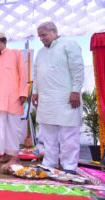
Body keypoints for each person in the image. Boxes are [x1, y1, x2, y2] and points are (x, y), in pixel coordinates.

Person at [32, 22, 84, 174]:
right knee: (48, 133)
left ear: (54, 31)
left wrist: (75, 91)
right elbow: (36, 74)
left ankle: (69, 166)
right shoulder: (41, 52)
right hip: (46, 99)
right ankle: (50, 162)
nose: (41, 38)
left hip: (65, 97)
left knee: (68, 134)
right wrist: (35, 92)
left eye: (44, 35)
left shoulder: (69, 44)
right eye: (39, 36)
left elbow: (78, 68)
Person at [0, 32, 28, 170]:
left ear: (4, 41)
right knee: (0, 128)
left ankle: (14, 157)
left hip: (13, 97)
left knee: (13, 128)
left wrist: (23, 92)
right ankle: (4, 155)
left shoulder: (15, 53)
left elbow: (23, 73)